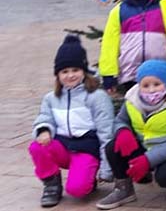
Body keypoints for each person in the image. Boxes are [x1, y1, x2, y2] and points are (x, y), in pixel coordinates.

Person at [30, 35, 114, 207]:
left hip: (86, 148)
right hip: (63, 147)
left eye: (75, 70)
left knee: (77, 190)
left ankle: (88, 176)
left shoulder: (97, 97)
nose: (70, 76)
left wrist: (107, 168)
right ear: (58, 74)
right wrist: (44, 129)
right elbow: (45, 117)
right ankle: (51, 185)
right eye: (64, 71)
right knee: (37, 146)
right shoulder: (51, 98)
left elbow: (106, 133)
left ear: (84, 71)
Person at [96, 60, 166, 209]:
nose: (151, 90)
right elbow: (120, 120)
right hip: (143, 146)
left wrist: (148, 159)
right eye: (145, 85)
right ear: (139, 85)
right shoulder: (131, 100)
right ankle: (124, 189)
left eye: (157, 84)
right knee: (113, 147)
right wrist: (123, 131)